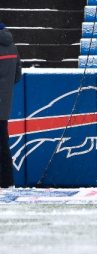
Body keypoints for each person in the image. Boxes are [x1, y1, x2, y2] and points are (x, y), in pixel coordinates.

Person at [0, 22, 22, 188]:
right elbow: (17, 76)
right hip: (4, 104)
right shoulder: (13, 47)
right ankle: (7, 181)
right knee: (3, 144)